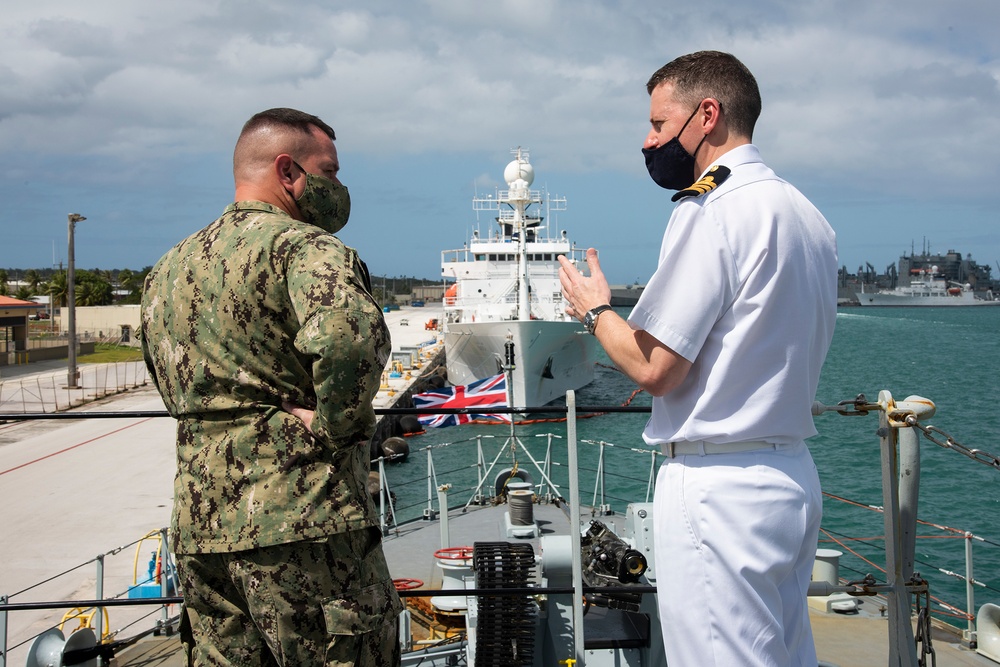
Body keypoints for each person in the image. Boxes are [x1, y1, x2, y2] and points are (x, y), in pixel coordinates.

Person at [559, 51, 837, 666]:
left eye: (659, 124)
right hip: (791, 477)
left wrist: (595, 309)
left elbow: (656, 368)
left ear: (706, 116)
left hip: (719, 488)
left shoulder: (712, 208)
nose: (648, 140)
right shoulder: (806, 215)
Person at [141, 107, 402, 666]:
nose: (339, 187)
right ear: (288, 172)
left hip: (200, 527)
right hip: (303, 521)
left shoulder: (167, 269)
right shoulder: (304, 248)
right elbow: (350, 340)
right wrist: (335, 429)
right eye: (329, 172)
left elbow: (168, 381)